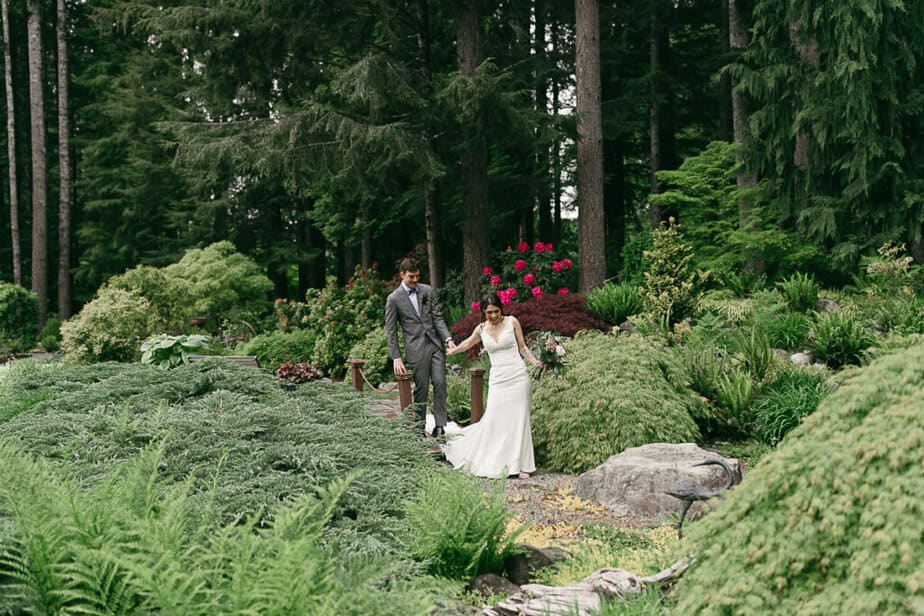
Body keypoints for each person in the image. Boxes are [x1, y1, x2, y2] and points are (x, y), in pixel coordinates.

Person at [443, 293, 543, 479]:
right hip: (498, 379)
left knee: (519, 418)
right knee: (496, 418)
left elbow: (522, 347)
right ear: (484, 312)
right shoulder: (481, 329)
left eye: (496, 311)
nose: (494, 316)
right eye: (489, 313)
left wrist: (534, 361)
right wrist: (454, 350)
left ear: (501, 309)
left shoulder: (512, 322)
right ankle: (499, 460)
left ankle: (521, 465)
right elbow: (468, 343)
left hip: (517, 375)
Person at [385, 258, 456, 436]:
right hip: (415, 349)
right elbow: (391, 331)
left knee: (440, 383)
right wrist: (396, 357)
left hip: (435, 345)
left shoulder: (427, 291)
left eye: (417, 276)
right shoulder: (393, 299)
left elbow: (437, 318)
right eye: (411, 277)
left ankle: (440, 426)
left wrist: (447, 339)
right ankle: (418, 427)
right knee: (421, 388)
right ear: (402, 275)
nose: (415, 280)